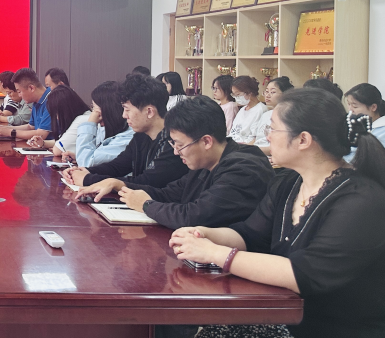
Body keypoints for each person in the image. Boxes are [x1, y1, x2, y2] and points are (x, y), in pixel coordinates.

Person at [169, 89, 385, 338]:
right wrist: (204, 234)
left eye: (272, 128)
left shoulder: (361, 200)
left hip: (334, 329)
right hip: (283, 317)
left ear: (303, 140)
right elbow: (250, 235)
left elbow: (305, 274)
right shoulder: (289, 182)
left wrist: (215, 253)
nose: (267, 136)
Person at [116, 95, 274, 229]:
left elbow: (195, 216)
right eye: (173, 144)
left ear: (206, 141)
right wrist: (119, 185)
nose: (176, 152)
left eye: (180, 145)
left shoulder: (244, 169)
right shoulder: (205, 162)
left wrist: (146, 205)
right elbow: (168, 194)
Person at [67, 74, 188, 196]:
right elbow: (118, 166)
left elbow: (147, 182)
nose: (124, 115)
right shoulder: (141, 136)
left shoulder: (173, 143)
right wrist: (86, 171)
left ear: (149, 111)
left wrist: (88, 179)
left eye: (127, 109)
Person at [58, 81, 133, 168]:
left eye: (94, 108)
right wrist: (78, 157)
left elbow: (87, 163)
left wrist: (90, 124)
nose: (93, 113)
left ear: (107, 110)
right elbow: (95, 157)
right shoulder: (106, 129)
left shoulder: (127, 138)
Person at [0, 68, 51, 141]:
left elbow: (41, 134)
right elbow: (30, 127)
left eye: (19, 92)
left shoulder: (51, 100)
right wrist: (5, 129)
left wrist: (11, 132)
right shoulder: (36, 101)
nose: (19, 95)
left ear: (31, 88)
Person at [25, 86, 89, 149]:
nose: (57, 118)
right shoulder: (78, 117)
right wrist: (43, 143)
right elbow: (61, 141)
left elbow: (58, 149)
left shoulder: (81, 120)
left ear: (65, 109)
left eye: (57, 113)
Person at [254, 77, 294, 156]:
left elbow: (281, 147)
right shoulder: (265, 114)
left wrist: (251, 150)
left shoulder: (287, 116)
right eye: (266, 91)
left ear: (285, 94)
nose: (267, 95)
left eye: (272, 92)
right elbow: (256, 139)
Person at [228, 76, 267, 144]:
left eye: (238, 94)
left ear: (249, 93)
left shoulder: (261, 110)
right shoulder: (242, 110)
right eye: (234, 95)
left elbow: (255, 138)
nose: (236, 98)